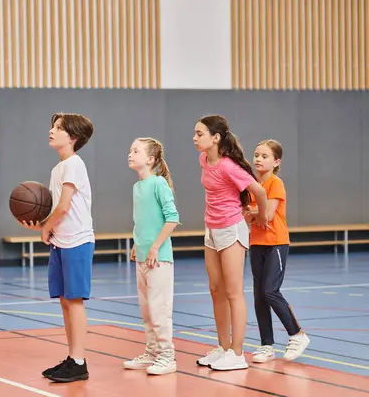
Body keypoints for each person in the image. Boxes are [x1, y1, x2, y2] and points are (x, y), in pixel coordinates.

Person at [19, 113, 94, 383]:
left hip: (77, 241)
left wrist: (46, 226)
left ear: (73, 137)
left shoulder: (74, 164)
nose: (52, 131)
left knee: (74, 301)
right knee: (64, 301)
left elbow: (64, 207)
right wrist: (40, 224)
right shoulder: (57, 168)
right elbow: (54, 210)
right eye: (52, 126)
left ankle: (79, 361)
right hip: (61, 242)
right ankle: (73, 358)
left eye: (59, 128)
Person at [192, 114, 268, 371]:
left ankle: (237, 353)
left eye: (199, 133)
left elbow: (259, 191)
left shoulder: (228, 166)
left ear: (216, 138)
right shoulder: (204, 159)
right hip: (211, 230)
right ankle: (223, 348)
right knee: (216, 289)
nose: (194, 138)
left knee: (234, 292)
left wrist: (262, 216)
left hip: (232, 230)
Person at [244, 139, 310, 363]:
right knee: (259, 296)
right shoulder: (252, 185)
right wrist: (254, 212)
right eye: (256, 155)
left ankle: (297, 334)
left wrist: (254, 212)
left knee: (270, 291)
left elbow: (268, 215)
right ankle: (266, 345)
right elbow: (246, 215)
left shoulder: (275, 183)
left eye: (264, 156)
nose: (258, 159)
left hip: (276, 243)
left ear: (276, 161)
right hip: (256, 244)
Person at [123, 138, 180, 375]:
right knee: (146, 311)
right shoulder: (137, 187)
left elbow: (172, 218)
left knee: (159, 311)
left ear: (150, 159)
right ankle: (152, 352)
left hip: (159, 258)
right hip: (142, 257)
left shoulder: (158, 184)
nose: (130, 153)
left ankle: (167, 356)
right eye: (130, 149)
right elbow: (142, 221)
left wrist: (155, 246)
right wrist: (138, 244)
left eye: (136, 150)